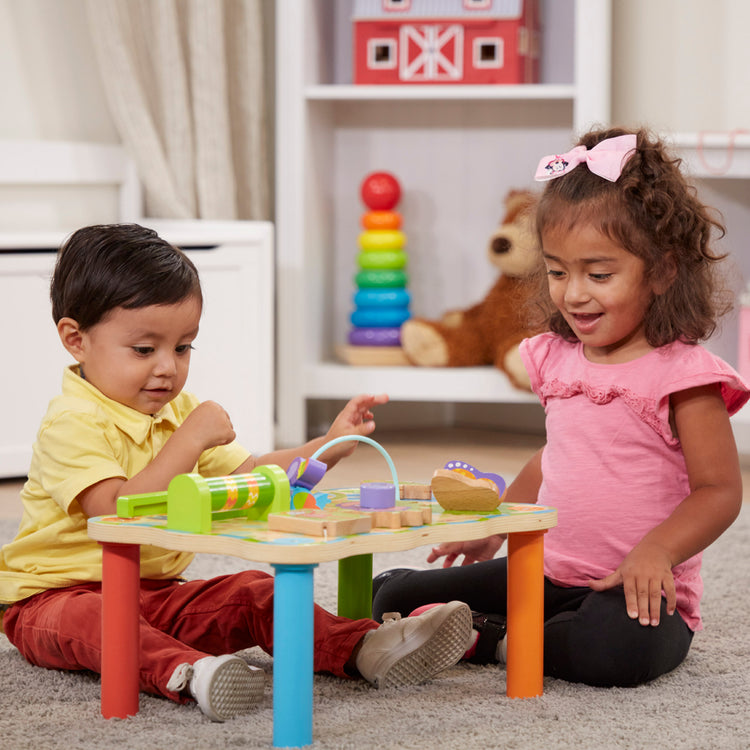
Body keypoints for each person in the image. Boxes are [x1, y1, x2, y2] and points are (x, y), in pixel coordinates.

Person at [0, 223, 472, 722]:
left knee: (252, 589)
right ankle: (191, 672)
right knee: (98, 619)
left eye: (183, 348)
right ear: (76, 339)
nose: (167, 368)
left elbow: (251, 473)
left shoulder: (178, 411)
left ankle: (363, 647)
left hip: (159, 593)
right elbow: (116, 511)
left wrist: (328, 446)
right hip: (52, 600)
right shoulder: (70, 423)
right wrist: (189, 440)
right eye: (145, 350)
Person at [372, 127, 750, 687]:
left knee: (614, 649)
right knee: (391, 595)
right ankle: (497, 628)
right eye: (556, 271)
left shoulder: (685, 377)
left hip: (635, 591)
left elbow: (720, 491)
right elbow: (556, 457)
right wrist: (497, 525)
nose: (573, 293)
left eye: (599, 275)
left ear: (664, 270)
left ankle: (491, 638)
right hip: (544, 574)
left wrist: (656, 552)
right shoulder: (556, 357)